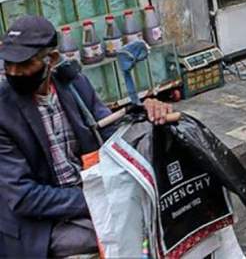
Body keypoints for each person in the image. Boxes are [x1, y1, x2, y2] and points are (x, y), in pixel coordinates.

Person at [0, 16, 173, 258]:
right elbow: (23, 197)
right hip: (43, 222)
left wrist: (148, 113)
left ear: (52, 59)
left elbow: (111, 136)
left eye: (24, 64)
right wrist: (94, 200)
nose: (13, 72)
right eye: (8, 64)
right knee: (126, 232)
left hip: (89, 194)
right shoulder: (3, 111)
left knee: (159, 213)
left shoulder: (73, 84)